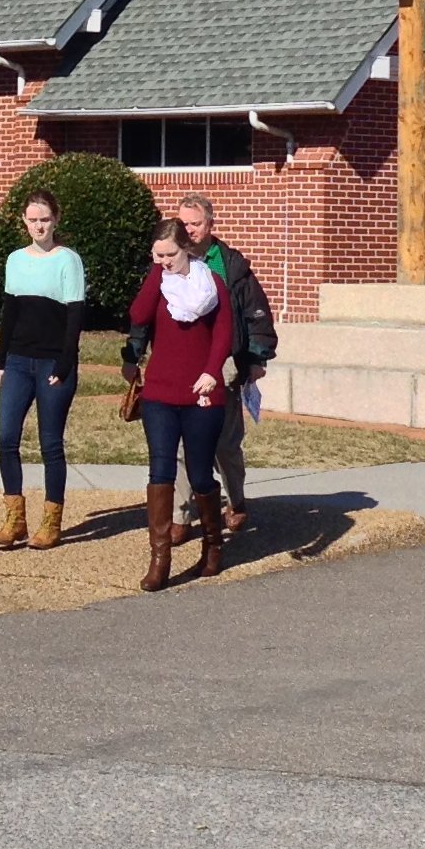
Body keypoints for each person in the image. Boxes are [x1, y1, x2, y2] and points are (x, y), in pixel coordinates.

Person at [125, 220, 235, 591]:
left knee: (201, 473)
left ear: (187, 247)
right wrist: (156, 277)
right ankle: (160, 559)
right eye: (158, 255)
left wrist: (212, 371)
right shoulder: (160, 282)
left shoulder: (210, 283)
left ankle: (213, 545)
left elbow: (224, 332)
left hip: (201, 392)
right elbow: (138, 315)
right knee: (160, 470)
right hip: (159, 393)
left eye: (170, 254)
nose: (165, 261)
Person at [171, 192, 277, 539]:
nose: (189, 230)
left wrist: (257, 357)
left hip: (226, 365)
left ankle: (236, 500)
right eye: (183, 223)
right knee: (183, 444)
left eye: (195, 224)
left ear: (210, 224)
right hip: (185, 363)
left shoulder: (230, 264)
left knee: (225, 444)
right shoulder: (170, 260)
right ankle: (181, 515)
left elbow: (256, 313)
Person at [0, 189, 85, 551]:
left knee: (50, 444)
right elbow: (9, 312)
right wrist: (1, 360)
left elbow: (75, 316)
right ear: (24, 220)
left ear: (56, 220)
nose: (38, 226)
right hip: (17, 361)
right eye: (32, 219)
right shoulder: (15, 259)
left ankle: (51, 522)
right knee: (6, 439)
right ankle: (15, 518)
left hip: (52, 363)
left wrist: (64, 365)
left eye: (44, 219)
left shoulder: (68, 261)